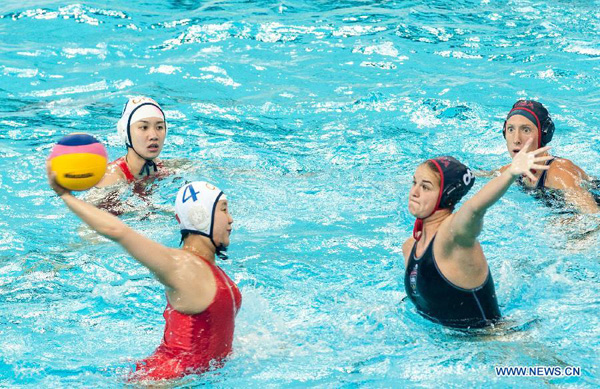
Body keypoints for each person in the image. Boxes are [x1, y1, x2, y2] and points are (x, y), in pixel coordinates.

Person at [48, 168, 241, 380]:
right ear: (201, 216)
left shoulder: (211, 269)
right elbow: (117, 231)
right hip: (162, 382)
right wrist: (66, 196)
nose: (231, 219)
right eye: (224, 210)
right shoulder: (181, 267)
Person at [402, 144, 551, 328]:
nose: (414, 192)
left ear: (445, 195)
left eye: (426, 187)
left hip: (494, 344)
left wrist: (511, 172)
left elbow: (474, 208)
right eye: (414, 182)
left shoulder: (453, 237)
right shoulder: (410, 248)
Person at [500, 99, 599, 213]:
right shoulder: (511, 171)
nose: (516, 139)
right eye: (511, 129)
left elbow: (594, 217)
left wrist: (567, 224)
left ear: (544, 135)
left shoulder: (559, 173)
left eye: (526, 130)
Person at [96, 96, 168, 188]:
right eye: (144, 127)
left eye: (159, 127)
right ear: (125, 132)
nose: (154, 136)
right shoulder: (110, 178)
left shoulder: (167, 169)